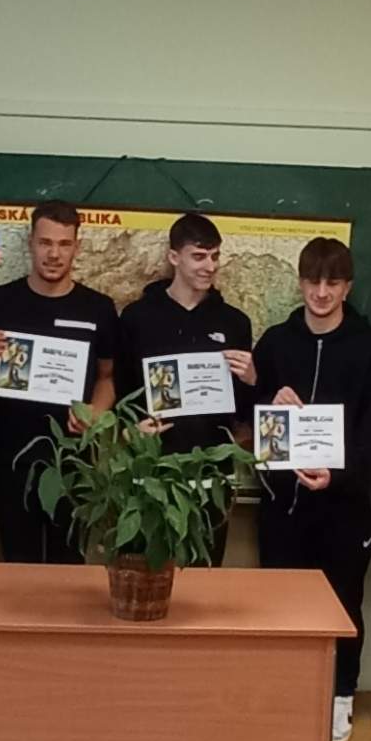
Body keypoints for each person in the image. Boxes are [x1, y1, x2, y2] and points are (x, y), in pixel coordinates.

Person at [251, 236, 371, 741]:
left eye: (332, 283)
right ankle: (285, 694)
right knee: (279, 607)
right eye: (313, 281)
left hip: (345, 508)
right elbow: (252, 418)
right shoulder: (275, 342)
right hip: (282, 507)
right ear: (300, 283)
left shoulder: (370, 347)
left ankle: (340, 698)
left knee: (342, 606)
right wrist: (269, 400)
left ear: (347, 287)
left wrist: (338, 477)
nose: (321, 292)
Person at [0, 200, 119, 564]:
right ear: (31, 243)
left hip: (74, 461)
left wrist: (95, 414)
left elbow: (108, 377)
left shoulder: (98, 308)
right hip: (13, 459)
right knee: (19, 568)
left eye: (64, 244)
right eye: (45, 242)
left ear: (77, 247)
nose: (54, 254)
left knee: (70, 570)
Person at [116, 212, 256, 564]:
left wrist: (252, 379)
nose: (210, 266)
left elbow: (243, 408)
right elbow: (121, 389)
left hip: (212, 475)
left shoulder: (235, 323)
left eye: (215, 256)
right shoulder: (137, 318)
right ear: (173, 256)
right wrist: (130, 430)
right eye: (199, 256)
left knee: (205, 579)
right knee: (148, 574)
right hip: (152, 473)